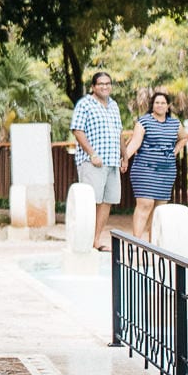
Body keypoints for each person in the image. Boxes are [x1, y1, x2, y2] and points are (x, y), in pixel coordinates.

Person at [122, 90, 188, 241]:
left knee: (159, 209)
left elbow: (184, 138)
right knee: (145, 204)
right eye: (157, 102)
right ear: (152, 105)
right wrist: (125, 159)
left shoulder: (175, 123)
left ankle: (154, 245)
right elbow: (135, 142)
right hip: (145, 168)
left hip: (166, 170)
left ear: (168, 106)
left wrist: (175, 151)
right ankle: (136, 242)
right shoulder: (143, 122)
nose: (160, 105)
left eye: (163, 103)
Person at [69, 70, 124, 251]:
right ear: (93, 86)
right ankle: (84, 240)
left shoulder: (114, 105)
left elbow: (119, 133)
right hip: (93, 162)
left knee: (107, 201)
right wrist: (92, 154)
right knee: (90, 201)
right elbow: (77, 130)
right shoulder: (85, 104)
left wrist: (124, 156)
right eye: (101, 84)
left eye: (108, 83)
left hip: (112, 161)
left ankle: (96, 240)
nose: (105, 86)